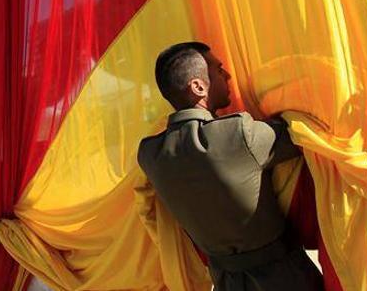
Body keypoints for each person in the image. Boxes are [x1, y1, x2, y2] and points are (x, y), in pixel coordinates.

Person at [137, 42, 323, 290]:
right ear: (198, 86)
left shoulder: (149, 155)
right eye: (219, 69)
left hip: (226, 282)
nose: (228, 75)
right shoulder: (238, 134)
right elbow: (305, 132)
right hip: (286, 278)